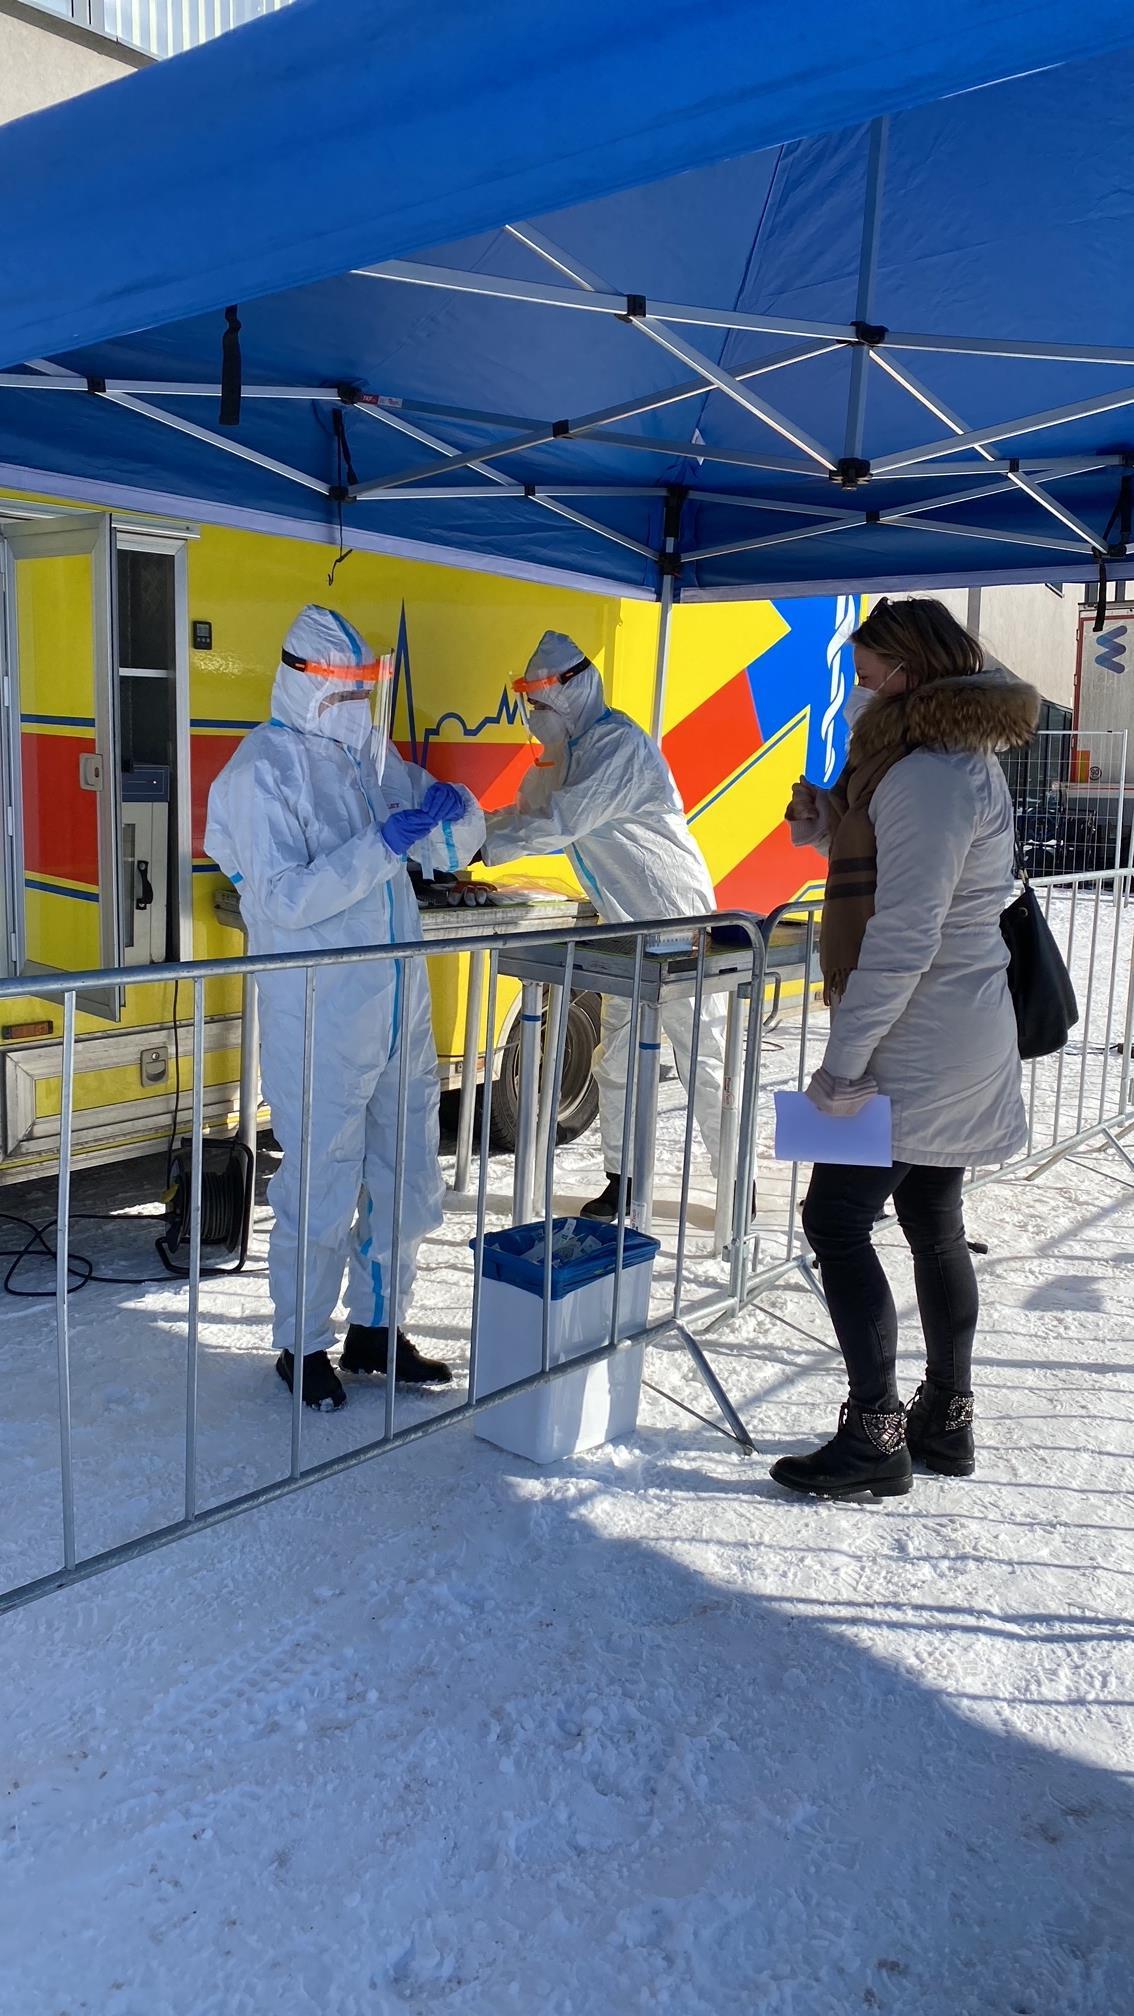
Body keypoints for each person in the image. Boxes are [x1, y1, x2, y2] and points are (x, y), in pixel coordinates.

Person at [771, 597, 1037, 1498]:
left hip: (918, 1041)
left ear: (910, 675)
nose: (856, 690)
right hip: (952, 1031)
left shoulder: (925, 776)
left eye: (867, 671)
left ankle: (876, 1432)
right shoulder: (941, 762)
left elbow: (904, 933)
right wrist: (829, 822)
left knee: (835, 1219)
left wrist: (843, 1064)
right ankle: (946, 1419)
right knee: (931, 1220)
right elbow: (890, 865)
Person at [206, 604, 485, 1411]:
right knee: (323, 1180)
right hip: (320, 1008)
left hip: (398, 999)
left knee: (405, 1173)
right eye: (348, 688)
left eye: (368, 688)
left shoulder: (365, 752)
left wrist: (452, 813)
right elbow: (286, 899)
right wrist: (382, 846)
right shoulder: (260, 773)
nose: (362, 704)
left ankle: (378, 1328)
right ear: (306, 684)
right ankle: (302, 1342)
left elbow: (443, 829)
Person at [480, 630, 727, 1218]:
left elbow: (557, 824)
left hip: (677, 917)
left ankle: (736, 1183)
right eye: (530, 704)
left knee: (704, 1058)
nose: (533, 716)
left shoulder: (618, 745)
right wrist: (465, 829)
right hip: (627, 927)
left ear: (572, 691)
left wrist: (467, 843)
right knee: (618, 1059)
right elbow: (526, 812)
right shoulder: (563, 755)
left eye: (540, 703)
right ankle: (625, 1178)